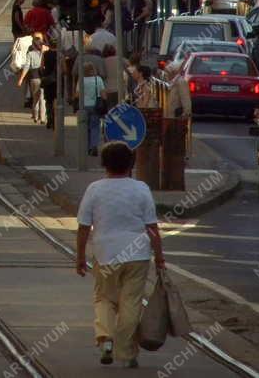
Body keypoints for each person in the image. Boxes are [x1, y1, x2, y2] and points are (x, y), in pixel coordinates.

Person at [76, 141, 165, 368]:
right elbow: (152, 227)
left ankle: (106, 339)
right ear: (131, 164)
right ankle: (125, 354)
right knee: (131, 303)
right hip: (137, 255)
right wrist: (160, 258)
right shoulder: (141, 189)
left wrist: (79, 257)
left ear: (104, 164)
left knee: (104, 298)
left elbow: (84, 226)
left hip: (106, 254)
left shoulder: (94, 189)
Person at [18, 34, 46, 124]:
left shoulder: (30, 54)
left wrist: (21, 79)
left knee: (35, 99)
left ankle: (36, 117)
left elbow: (26, 67)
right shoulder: (45, 52)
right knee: (42, 99)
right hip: (43, 77)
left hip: (34, 78)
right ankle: (42, 118)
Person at [82, 63, 106, 155]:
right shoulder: (98, 79)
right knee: (95, 127)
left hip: (84, 106)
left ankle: (88, 147)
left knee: (86, 127)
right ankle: (94, 146)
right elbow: (103, 94)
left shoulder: (82, 80)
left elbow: (77, 94)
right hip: (95, 106)